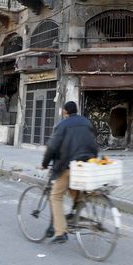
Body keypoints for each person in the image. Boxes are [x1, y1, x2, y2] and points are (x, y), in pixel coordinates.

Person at [41, 101, 98, 244]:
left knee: (55, 196)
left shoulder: (62, 125)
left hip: (69, 165)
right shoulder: (86, 122)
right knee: (74, 188)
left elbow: (52, 146)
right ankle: (77, 206)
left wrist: (44, 163)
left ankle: (61, 232)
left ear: (65, 111)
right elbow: (93, 142)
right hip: (88, 163)